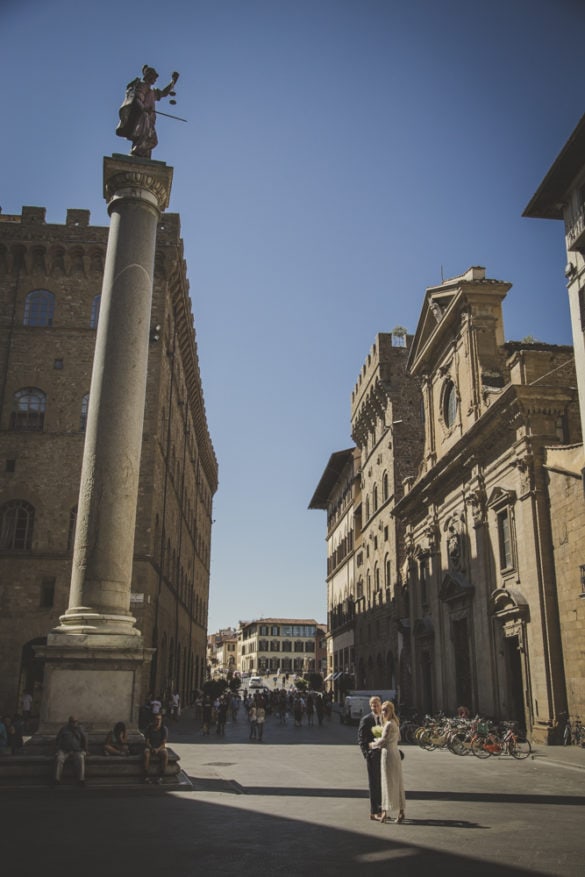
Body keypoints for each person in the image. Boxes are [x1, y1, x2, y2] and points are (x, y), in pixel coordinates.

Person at [116, 66, 180, 158]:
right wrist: (144, 109)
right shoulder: (143, 86)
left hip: (150, 119)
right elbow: (137, 99)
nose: (155, 79)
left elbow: (164, 93)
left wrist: (173, 81)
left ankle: (140, 155)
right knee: (150, 139)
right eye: (154, 77)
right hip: (143, 118)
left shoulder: (152, 91)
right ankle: (136, 152)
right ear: (149, 76)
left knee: (148, 142)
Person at [369, 701, 406, 824]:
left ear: (391, 711)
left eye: (386, 710)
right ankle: (399, 811)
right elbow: (398, 738)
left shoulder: (389, 724)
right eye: (383, 710)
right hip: (394, 752)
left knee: (387, 783)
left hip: (388, 755)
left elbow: (383, 741)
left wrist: (372, 744)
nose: (383, 712)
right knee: (397, 782)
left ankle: (386, 812)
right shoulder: (395, 722)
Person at [358, 695, 383, 821]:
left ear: (381, 705)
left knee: (383, 783)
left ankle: (382, 809)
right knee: (374, 784)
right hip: (373, 756)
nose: (375, 707)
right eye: (373, 705)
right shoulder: (366, 719)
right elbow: (361, 739)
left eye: (377, 704)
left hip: (384, 756)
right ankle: (374, 811)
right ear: (370, 706)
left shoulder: (385, 719)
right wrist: (367, 754)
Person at [54, 716, 87, 787]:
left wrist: (84, 750)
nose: (74, 723)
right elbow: (58, 739)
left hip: (76, 751)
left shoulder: (80, 729)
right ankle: (57, 779)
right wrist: (57, 750)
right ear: (69, 722)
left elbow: (85, 740)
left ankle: (81, 780)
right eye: (72, 722)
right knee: (59, 759)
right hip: (64, 750)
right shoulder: (64, 729)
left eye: (75, 722)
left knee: (81, 758)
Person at [143, 713, 168, 784]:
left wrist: (157, 749)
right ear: (154, 720)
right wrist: (151, 748)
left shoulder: (164, 729)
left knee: (165, 754)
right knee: (146, 754)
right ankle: (146, 776)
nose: (158, 721)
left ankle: (161, 776)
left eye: (159, 719)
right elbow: (147, 741)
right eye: (156, 719)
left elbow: (164, 743)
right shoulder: (149, 728)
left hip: (159, 747)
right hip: (150, 746)